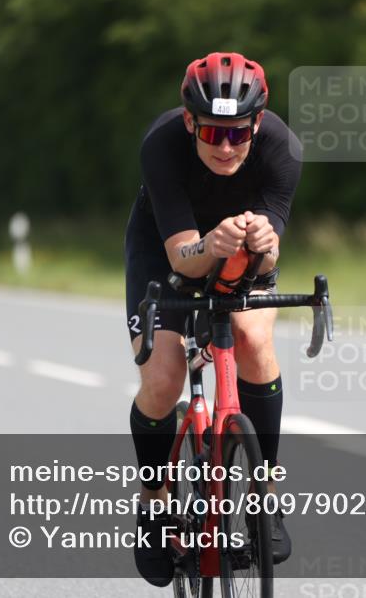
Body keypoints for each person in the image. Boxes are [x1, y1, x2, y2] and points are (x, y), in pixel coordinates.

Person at [125, 52, 302, 586]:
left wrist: (264, 247)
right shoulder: (161, 144)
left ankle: (265, 497)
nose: (225, 147)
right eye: (212, 132)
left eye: (238, 133)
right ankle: (154, 504)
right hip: (166, 250)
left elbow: (266, 261)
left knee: (252, 339)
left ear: (257, 124)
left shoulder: (282, 148)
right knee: (163, 379)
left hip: (242, 254)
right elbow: (183, 259)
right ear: (189, 122)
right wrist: (210, 243)